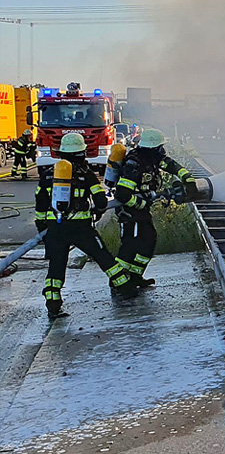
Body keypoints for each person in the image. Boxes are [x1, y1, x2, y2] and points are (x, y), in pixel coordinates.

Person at [34, 132, 137, 318]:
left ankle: (53, 302)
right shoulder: (86, 174)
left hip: (55, 228)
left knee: (56, 264)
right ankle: (126, 288)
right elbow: (100, 200)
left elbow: (40, 202)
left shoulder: (49, 175)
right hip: (81, 228)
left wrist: (42, 227)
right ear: (81, 153)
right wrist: (98, 209)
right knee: (102, 255)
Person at [113, 128, 195, 288]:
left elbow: (171, 165)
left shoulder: (153, 159)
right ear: (152, 147)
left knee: (149, 240)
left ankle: (135, 276)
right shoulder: (134, 163)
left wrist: (188, 179)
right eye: (159, 147)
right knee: (130, 244)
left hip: (141, 209)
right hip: (129, 210)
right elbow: (122, 195)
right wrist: (141, 204)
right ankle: (118, 281)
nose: (162, 150)